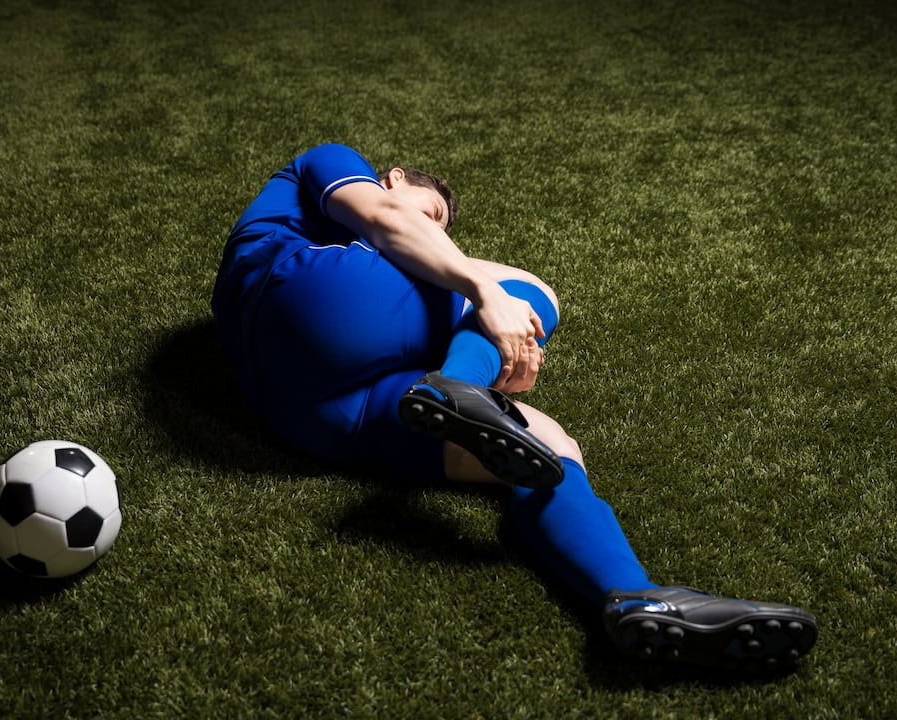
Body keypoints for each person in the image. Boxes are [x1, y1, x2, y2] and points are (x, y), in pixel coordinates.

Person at [211, 143, 817, 671]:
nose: (439, 237)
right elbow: (383, 216)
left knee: (550, 445)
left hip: (309, 414)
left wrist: (493, 359)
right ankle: (459, 383)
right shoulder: (330, 162)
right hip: (298, 289)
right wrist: (487, 295)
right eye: (435, 217)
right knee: (528, 291)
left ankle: (634, 596)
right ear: (394, 176)